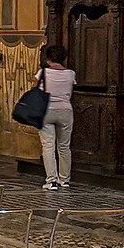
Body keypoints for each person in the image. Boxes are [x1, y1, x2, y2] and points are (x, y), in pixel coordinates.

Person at [36, 42, 78, 190]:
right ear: (64, 58)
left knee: (48, 146)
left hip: (46, 111)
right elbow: (69, 94)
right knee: (64, 146)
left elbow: (37, 92)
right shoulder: (70, 74)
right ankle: (65, 180)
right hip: (65, 110)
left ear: (48, 59)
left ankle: (51, 181)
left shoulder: (42, 73)